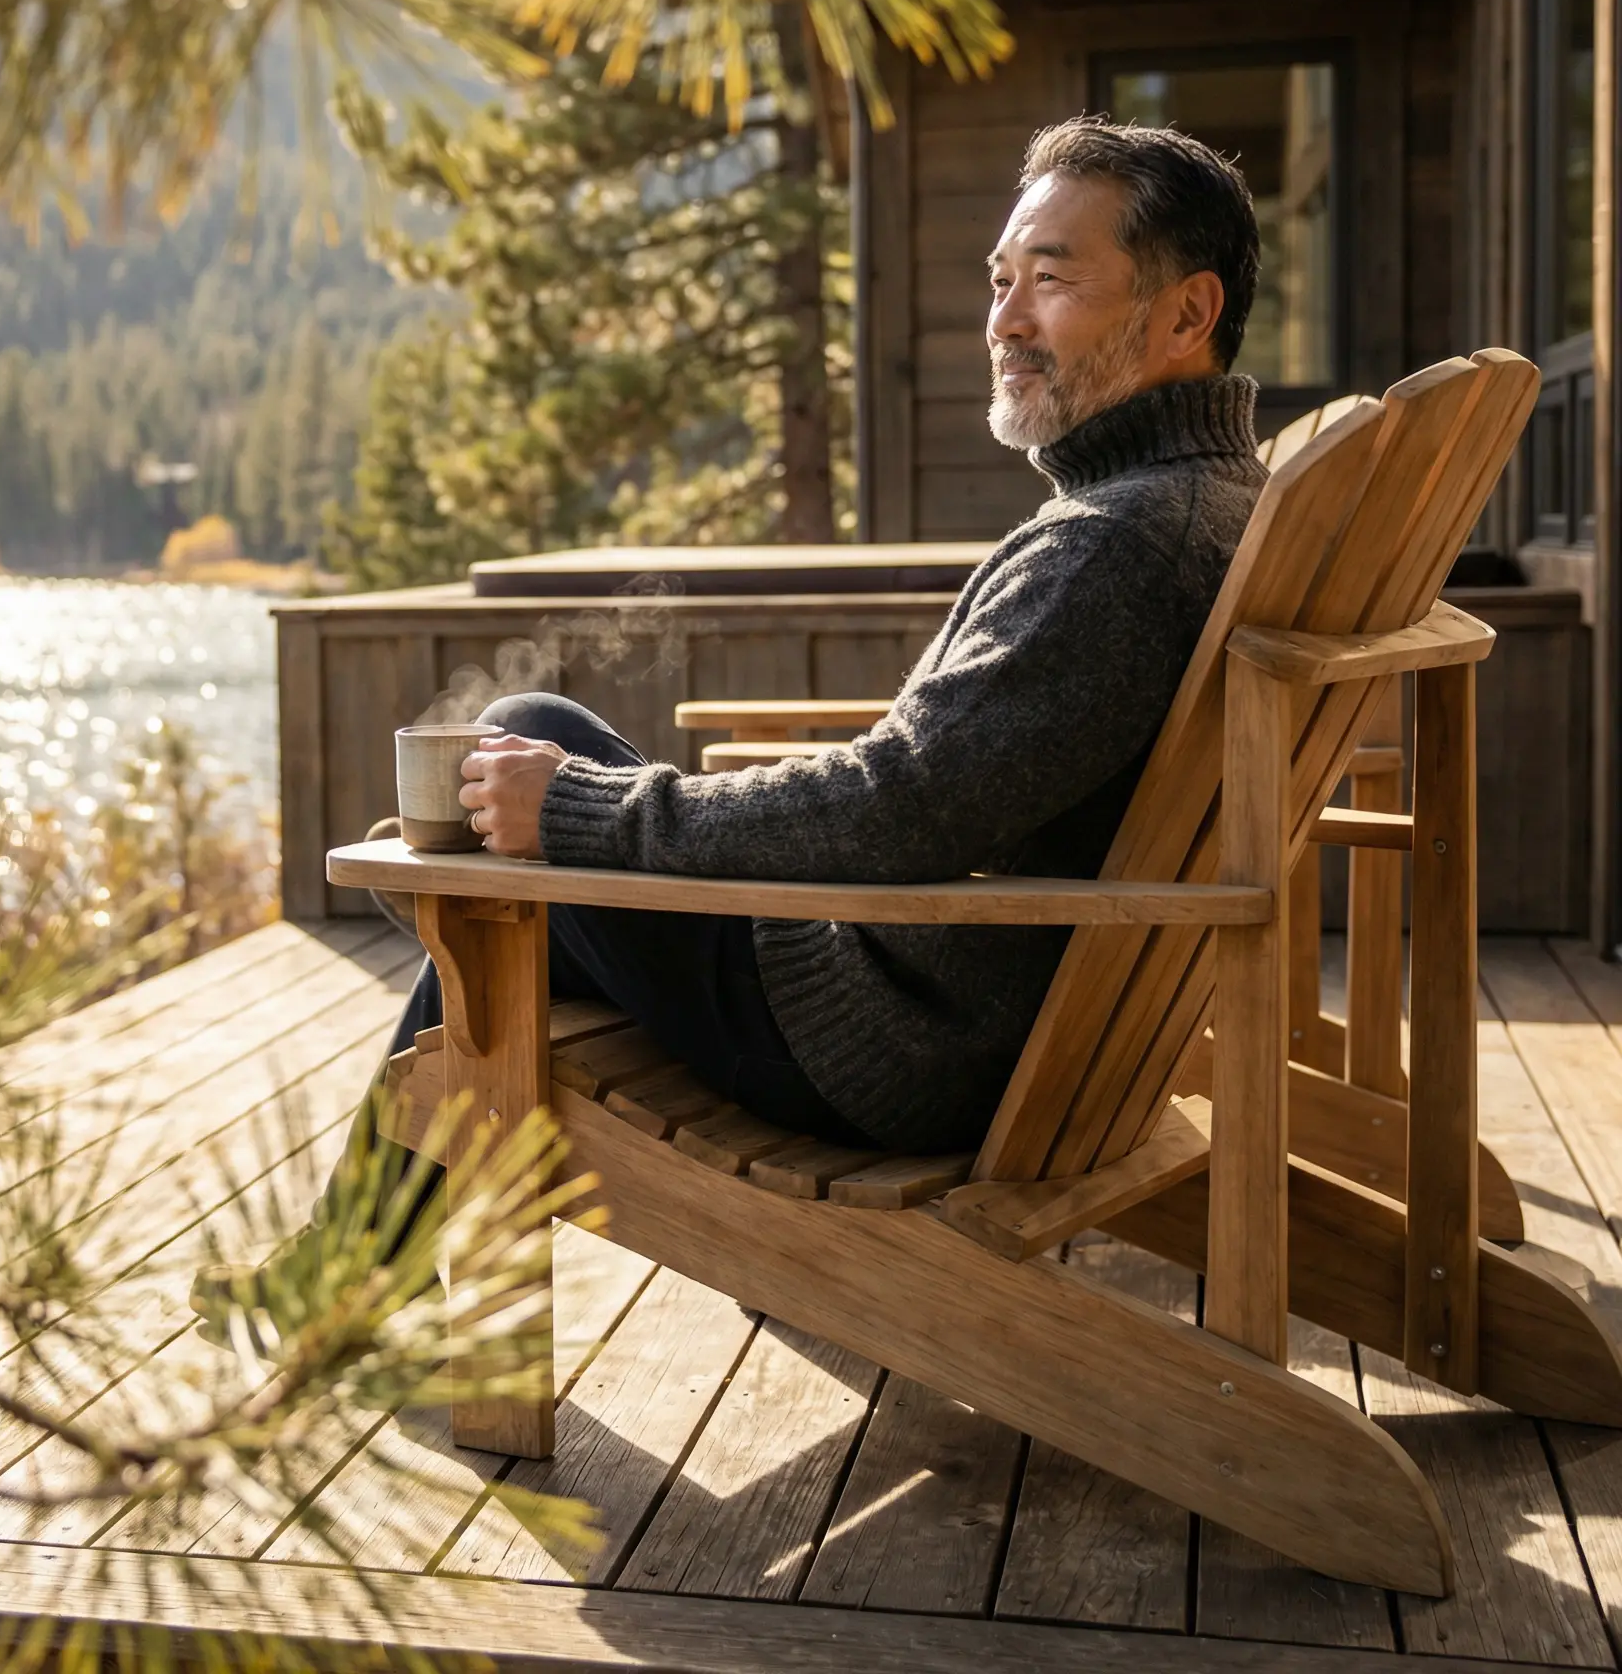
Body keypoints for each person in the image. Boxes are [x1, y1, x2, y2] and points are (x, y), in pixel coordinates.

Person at [195, 115, 1269, 1336]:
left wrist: (590, 812)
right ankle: (379, 1219)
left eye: (1053, 278)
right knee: (520, 801)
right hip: (993, 1003)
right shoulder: (1206, 507)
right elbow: (932, 785)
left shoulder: (1111, 547)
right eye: (999, 279)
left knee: (511, 793)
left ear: (1186, 315)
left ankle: (358, 1258)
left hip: (891, 1038)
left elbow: (899, 806)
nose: (1005, 319)